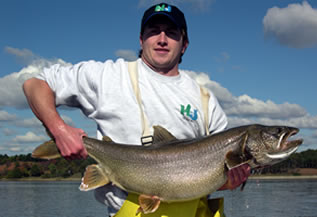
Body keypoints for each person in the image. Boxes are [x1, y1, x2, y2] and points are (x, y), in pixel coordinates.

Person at [23, 2, 250, 216]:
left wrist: (230, 181)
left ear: (185, 43)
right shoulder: (107, 76)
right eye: (154, 30)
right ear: (141, 40)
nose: (162, 39)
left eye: (171, 32)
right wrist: (59, 129)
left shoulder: (206, 100)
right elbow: (35, 84)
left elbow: (208, 181)